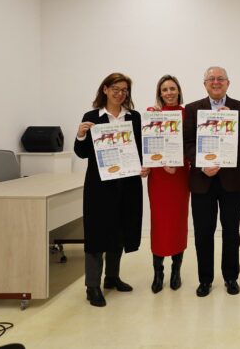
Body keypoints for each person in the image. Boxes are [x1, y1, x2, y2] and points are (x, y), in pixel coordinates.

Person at [74, 72, 148, 307]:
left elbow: (142, 148)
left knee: (120, 231)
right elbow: (82, 153)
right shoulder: (92, 117)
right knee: (97, 234)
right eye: (115, 89)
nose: (120, 94)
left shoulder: (134, 117)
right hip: (99, 186)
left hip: (128, 184)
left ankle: (112, 278)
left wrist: (145, 165)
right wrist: (81, 135)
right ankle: (92, 286)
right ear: (105, 89)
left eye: (124, 90)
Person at [183, 67, 240, 297]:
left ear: (228, 83)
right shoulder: (192, 108)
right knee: (203, 233)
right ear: (205, 83)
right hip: (202, 179)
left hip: (232, 180)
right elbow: (187, 143)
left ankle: (231, 277)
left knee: (231, 232)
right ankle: (205, 279)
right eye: (211, 79)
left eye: (220, 79)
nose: (216, 82)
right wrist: (202, 165)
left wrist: (232, 119)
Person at [147, 75, 190, 294]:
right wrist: (147, 164)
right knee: (159, 223)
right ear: (160, 93)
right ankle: (158, 272)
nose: (169, 92)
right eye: (164, 89)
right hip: (159, 177)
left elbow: (191, 144)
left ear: (178, 91)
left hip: (179, 175)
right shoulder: (152, 114)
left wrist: (177, 161)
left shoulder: (188, 114)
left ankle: (176, 271)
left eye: (172, 88)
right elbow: (147, 145)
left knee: (178, 222)